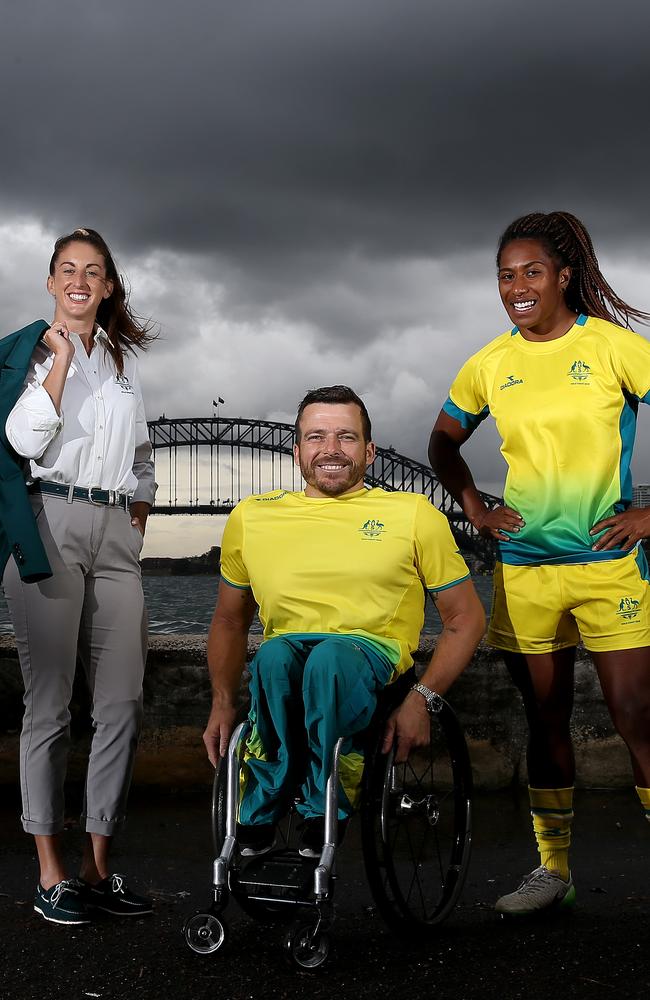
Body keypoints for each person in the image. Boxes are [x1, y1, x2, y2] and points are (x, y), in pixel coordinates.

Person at [430, 211, 650, 916]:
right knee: (545, 720)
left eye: (531, 272)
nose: (516, 286)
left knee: (636, 715)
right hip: (524, 570)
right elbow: (442, 442)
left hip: (609, 564)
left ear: (563, 276)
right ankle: (553, 872)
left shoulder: (616, 347)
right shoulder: (491, 363)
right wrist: (471, 501)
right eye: (504, 274)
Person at [202, 385, 485, 858]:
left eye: (346, 437)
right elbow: (230, 622)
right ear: (296, 451)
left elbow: (465, 618)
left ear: (370, 452)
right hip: (288, 661)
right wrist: (223, 704)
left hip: (369, 659)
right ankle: (263, 801)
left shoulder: (413, 514)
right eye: (315, 437)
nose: (330, 449)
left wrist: (422, 699)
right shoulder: (252, 517)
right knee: (271, 654)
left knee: (329, 660)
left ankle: (329, 794)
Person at [1, 228, 156, 925]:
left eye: (94, 272)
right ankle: (50, 873)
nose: (81, 281)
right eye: (68, 269)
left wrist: (138, 512)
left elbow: (144, 451)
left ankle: (98, 869)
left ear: (110, 285)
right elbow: (24, 440)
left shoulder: (121, 361)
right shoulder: (29, 354)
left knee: (121, 703)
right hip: (49, 522)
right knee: (50, 706)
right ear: (51, 281)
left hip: (114, 532)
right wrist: (59, 359)